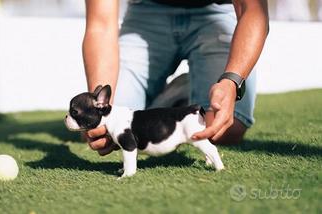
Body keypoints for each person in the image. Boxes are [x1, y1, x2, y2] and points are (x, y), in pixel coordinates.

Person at [83, 0, 269, 156]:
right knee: (106, 129)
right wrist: (98, 109)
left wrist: (231, 81)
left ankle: (187, 89)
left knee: (221, 129)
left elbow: (253, 10)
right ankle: (178, 94)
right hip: (146, 12)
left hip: (217, 12)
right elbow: (100, 26)